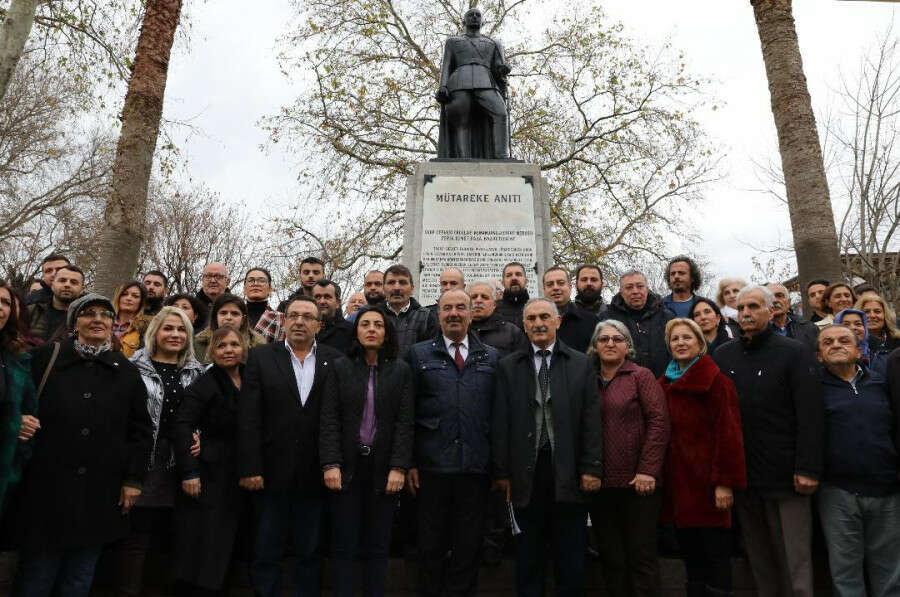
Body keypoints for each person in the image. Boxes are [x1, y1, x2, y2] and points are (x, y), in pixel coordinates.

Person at [12, 293, 153, 597]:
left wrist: (133, 480)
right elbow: (15, 401)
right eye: (89, 313)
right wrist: (17, 421)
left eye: (105, 314)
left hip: (99, 493)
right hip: (45, 489)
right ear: (74, 323)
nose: (98, 320)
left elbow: (140, 431)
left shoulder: (126, 371)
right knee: (37, 575)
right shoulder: (43, 359)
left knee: (79, 578)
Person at [712, 285, 824, 597]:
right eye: (741, 308)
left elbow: (811, 414)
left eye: (753, 307)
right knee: (760, 561)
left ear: (771, 310)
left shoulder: (794, 352)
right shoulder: (723, 356)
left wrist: (808, 468)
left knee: (795, 563)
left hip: (788, 476)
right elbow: (719, 418)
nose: (745, 313)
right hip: (745, 477)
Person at [492, 298, 604, 597]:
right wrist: (502, 472)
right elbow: (500, 421)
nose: (538, 323)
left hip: (568, 470)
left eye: (544, 316)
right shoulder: (508, 367)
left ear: (558, 321)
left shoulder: (581, 364)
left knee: (571, 552)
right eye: (531, 319)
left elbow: (591, 420)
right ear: (524, 325)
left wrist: (591, 467)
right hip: (525, 473)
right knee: (528, 553)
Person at [237, 295, 343, 597]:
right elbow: (249, 417)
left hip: (315, 474)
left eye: (307, 317)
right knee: (266, 550)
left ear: (318, 326)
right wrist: (250, 466)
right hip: (270, 474)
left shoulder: (335, 359)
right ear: (282, 321)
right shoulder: (260, 357)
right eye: (293, 315)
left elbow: (338, 416)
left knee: (309, 551)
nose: (299, 321)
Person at [407, 289, 499, 597]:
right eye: (447, 308)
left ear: (471, 314)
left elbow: (498, 414)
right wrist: (410, 462)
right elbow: (408, 413)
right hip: (431, 468)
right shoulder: (418, 355)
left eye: (461, 307)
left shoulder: (491, 356)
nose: (454, 313)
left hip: (475, 467)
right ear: (438, 314)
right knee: (430, 547)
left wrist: (498, 465)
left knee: (468, 547)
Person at [320, 306, 414, 597]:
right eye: (365, 324)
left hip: (383, 468)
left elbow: (405, 422)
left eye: (378, 325)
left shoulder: (401, 370)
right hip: (346, 467)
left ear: (387, 333)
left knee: (378, 546)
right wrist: (330, 463)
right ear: (356, 331)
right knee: (344, 545)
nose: (371, 329)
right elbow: (329, 418)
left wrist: (398, 467)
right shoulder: (340, 367)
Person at [112, 307, 205, 597]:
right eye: (168, 328)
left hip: (182, 463)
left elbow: (208, 415)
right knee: (136, 537)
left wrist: (201, 436)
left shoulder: (198, 372)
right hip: (143, 460)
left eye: (181, 329)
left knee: (173, 538)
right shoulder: (132, 368)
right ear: (155, 332)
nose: (175, 334)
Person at [660, 318, 747, 597]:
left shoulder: (717, 383)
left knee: (716, 560)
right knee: (692, 562)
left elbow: (729, 435)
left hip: (709, 487)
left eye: (687, 337)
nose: (681, 343)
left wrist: (724, 483)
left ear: (700, 343)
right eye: (675, 339)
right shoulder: (663, 384)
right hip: (678, 487)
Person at [816, 324, 900, 597]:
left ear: (858, 350)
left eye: (844, 340)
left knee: (890, 570)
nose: (836, 345)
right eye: (828, 342)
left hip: (886, 488)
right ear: (819, 355)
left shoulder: (881, 384)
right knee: (846, 571)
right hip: (838, 491)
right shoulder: (812, 389)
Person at [588, 319, 669, 597]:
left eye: (617, 339)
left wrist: (648, 469)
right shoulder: (587, 378)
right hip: (599, 483)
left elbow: (658, 422)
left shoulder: (640, 376)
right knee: (611, 557)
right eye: (604, 339)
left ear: (628, 346)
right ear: (595, 346)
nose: (610, 343)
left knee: (640, 555)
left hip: (638, 483)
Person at [171, 326, 249, 594]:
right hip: (208, 475)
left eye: (233, 345)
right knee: (204, 544)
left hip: (240, 474)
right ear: (212, 351)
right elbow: (183, 424)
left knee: (228, 544)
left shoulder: (251, 377)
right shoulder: (205, 384)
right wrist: (189, 472)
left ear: (243, 348)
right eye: (221, 345)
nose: (228, 350)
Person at [435, 7, 510, 160]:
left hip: (486, 82)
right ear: (464, 21)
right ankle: (463, 159)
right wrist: (442, 86)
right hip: (458, 83)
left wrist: (502, 70)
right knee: (462, 121)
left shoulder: (494, 43)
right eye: (471, 15)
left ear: (483, 21)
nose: (475, 17)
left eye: (478, 15)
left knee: (501, 113)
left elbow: (498, 67)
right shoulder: (452, 42)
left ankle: (502, 156)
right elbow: (447, 65)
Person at [0, 280, 36, 514]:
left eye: (5, 302)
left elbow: (29, 410)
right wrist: (13, 423)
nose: (0, 307)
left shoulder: (17, 358)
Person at [600, 270, 676, 377]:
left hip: (663, 381)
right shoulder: (607, 319)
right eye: (629, 287)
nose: (635, 291)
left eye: (640, 286)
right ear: (621, 292)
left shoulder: (667, 317)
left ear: (647, 289)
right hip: (621, 382)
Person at [382, 264, 438, 358]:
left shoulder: (426, 317)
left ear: (412, 289)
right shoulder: (374, 316)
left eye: (402, 282)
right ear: (383, 289)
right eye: (391, 282)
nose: (397, 288)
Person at [193, 294, 265, 365]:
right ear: (215, 318)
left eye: (235, 314)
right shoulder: (198, 344)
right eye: (223, 313)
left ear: (243, 319)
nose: (228, 317)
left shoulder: (258, 346)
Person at [542, 266, 598, 353]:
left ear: (570, 287)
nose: (555, 287)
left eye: (561, 283)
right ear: (544, 289)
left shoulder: (591, 321)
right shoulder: (533, 322)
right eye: (550, 284)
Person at [27, 264, 85, 344]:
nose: (67, 285)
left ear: (82, 289)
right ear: (52, 285)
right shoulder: (30, 311)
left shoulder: (87, 318)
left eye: (73, 282)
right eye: (62, 280)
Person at [468, 279, 526, 357]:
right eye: (473, 297)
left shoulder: (512, 332)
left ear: (494, 304)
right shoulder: (459, 330)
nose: (478, 300)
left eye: (485, 297)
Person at [766, 282, 818, 353]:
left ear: (789, 302)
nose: (774, 300)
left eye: (780, 296)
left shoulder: (809, 328)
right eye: (770, 297)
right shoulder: (755, 332)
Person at [112, 281, 151, 358]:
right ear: (118, 297)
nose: (129, 298)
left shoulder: (146, 328)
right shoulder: (105, 321)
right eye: (124, 294)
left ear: (141, 302)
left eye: (135, 296)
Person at [314, 279, 353, 353]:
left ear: (338, 302)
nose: (322, 301)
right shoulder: (303, 329)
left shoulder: (351, 332)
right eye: (317, 297)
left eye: (327, 297)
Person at [495, 261, 530, 329]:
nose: (514, 278)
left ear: (526, 281)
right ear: (503, 283)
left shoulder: (536, 307)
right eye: (509, 275)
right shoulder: (493, 309)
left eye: (518, 274)